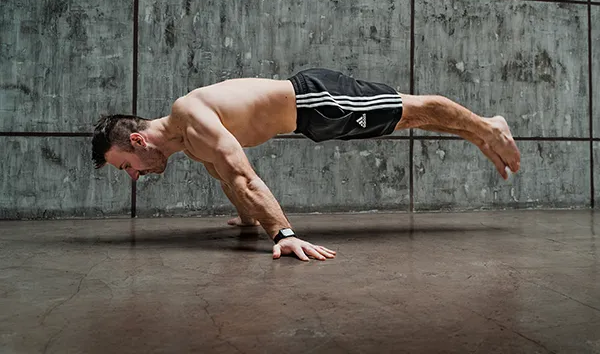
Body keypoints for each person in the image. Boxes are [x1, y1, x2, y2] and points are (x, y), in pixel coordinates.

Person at [92, 68, 521, 261]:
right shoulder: (188, 142)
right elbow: (227, 180)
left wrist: (284, 234)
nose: (134, 175)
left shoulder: (191, 115)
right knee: (409, 122)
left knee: (416, 111)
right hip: (315, 121)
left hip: (318, 101)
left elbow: (242, 174)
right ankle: (482, 132)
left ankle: (488, 125)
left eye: (126, 165)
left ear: (137, 140)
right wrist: (246, 220)